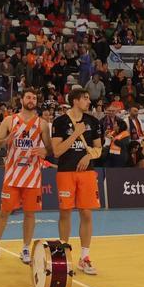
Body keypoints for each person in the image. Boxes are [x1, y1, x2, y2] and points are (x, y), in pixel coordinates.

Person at [0, 88, 48, 264]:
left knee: (30, 213)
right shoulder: (9, 120)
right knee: (4, 211)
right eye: (28, 97)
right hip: (12, 175)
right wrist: (6, 140)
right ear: (22, 100)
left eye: (34, 98)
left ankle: (26, 248)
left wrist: (45, 150)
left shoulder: (42, 124)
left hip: (32, 175)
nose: (31, 100)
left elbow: (49, 148)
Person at [51, 86, 102, 275]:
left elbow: (98, 148)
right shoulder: (60, 122)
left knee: (86, 214)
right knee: (65, 213)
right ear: (75, 101)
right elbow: (56, 151)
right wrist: (75, 133)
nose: (89, 101)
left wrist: (89, 156)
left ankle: (85, 257)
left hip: (87, 173)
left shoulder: (94, 122)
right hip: (66, 172)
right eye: (85, 98)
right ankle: (64, 255)